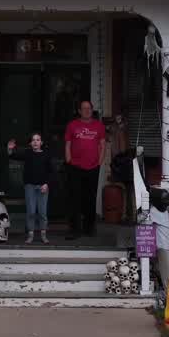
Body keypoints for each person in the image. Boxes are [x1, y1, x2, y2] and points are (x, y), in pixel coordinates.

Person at [64, 101, 105, 239]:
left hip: (93, 167)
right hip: (75, 167)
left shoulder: (98, 125)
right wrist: (69, 160)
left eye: (89, 108)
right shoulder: (72, 125)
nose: (87, 110)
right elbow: (68, 144)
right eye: (84, 108)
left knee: (90, 198)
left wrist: (99, 162)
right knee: (75, 198)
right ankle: (75, 230)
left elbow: (102, 145)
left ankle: (89, 228)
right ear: (79, 111)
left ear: (92, 110)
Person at [7, 133, 54, 244]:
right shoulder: (28, 153)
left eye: (38, 140)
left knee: (42, 212)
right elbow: (13, 156)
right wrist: (10, 149)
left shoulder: (46, 155)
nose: (35, 142)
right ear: (30, 143)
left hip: (43, 186)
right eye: (33, 140)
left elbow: (51, 172)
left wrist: (46, 184)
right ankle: (30, 235)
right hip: (30, 186)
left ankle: (43, 235)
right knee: (31, 212)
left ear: (41, 142)